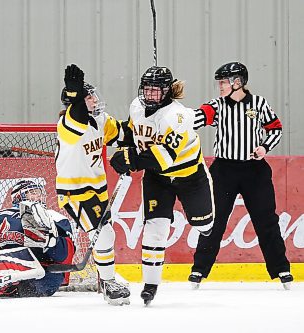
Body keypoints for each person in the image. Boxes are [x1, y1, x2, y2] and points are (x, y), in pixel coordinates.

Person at [110, 66, 214, 305]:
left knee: (204, 225)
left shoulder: (177, 116)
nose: (150, 95)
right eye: (147, 89)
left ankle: (200, 220)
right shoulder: (137, 105)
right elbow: (131, 132)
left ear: (167, 91)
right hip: (158, 179)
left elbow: (163, 157)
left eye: (156, 91)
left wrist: (129, 159)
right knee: (155, 229)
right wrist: (122, 145)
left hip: (190, 177)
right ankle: (150, 284)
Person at [189, 62, 293, 289]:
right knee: (213, 221)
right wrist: (179, 116)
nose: (220, 86)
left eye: (223, 82)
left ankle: (281, 269)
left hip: (254, 171)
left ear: (238, 82)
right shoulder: (217, 105)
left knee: (266, 220)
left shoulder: (259, 103)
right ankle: (199, 270)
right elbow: (197, 118)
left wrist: (264, 147)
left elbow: (275, 128)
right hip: (224, 170)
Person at [56, 64, 130, 306]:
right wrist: (74, 91)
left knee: (105, 234)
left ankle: (108, 278)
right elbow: (77, 111)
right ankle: (108, 283)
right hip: (75, 193)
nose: (95, 100)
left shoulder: (101, 121)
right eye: (89, 97)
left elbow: (125, 134)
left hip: (97, 191)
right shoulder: (70, 124)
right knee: (105, 234)